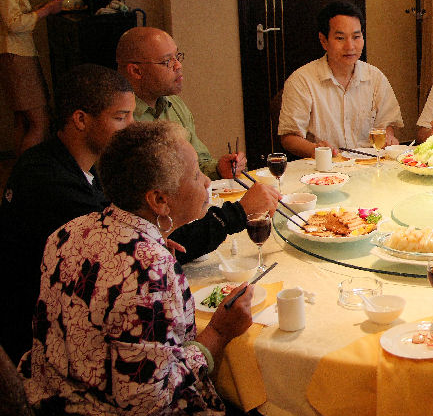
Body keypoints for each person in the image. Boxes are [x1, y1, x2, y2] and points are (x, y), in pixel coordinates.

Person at [0, 64, 279, 361]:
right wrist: (219, 332)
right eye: (121, 117)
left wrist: (150, 240)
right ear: (80, 120)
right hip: (30, 342)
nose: (133, 127)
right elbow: (150, 399)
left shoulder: (83, 190)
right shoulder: (52, 184)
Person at [20, 121, 255, 416]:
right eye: (194, 176)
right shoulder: (147, 270)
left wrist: (158, 246)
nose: (207, 183)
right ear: (159, 200)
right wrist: (218, 333)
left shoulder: (69, 232)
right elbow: (148, 402)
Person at [278, 1, 403, 157]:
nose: (350, 46)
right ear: (323, 40)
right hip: (324, 170)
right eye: (340, 38)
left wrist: (388, 138)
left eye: (356, 37)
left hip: (368, 165)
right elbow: (289, 137)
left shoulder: (375, 77)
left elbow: (387, 124)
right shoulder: (302, 80)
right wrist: (316, 150)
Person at [116, 26, 242, 179]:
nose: (178, 65)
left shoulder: (174, 104)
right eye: (167, 61)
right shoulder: (117, 115)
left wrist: (218, 169)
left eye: (177, 57)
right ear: (136, 71)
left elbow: (199, 162)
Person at [0, 0, 63, 154]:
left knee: (23, 119)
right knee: (40, 120)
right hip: (17, 56)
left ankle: (19, 176)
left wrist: (37, 9)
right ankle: (28, 175)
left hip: (13, 54)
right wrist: (45, 11)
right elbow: (14, 23)